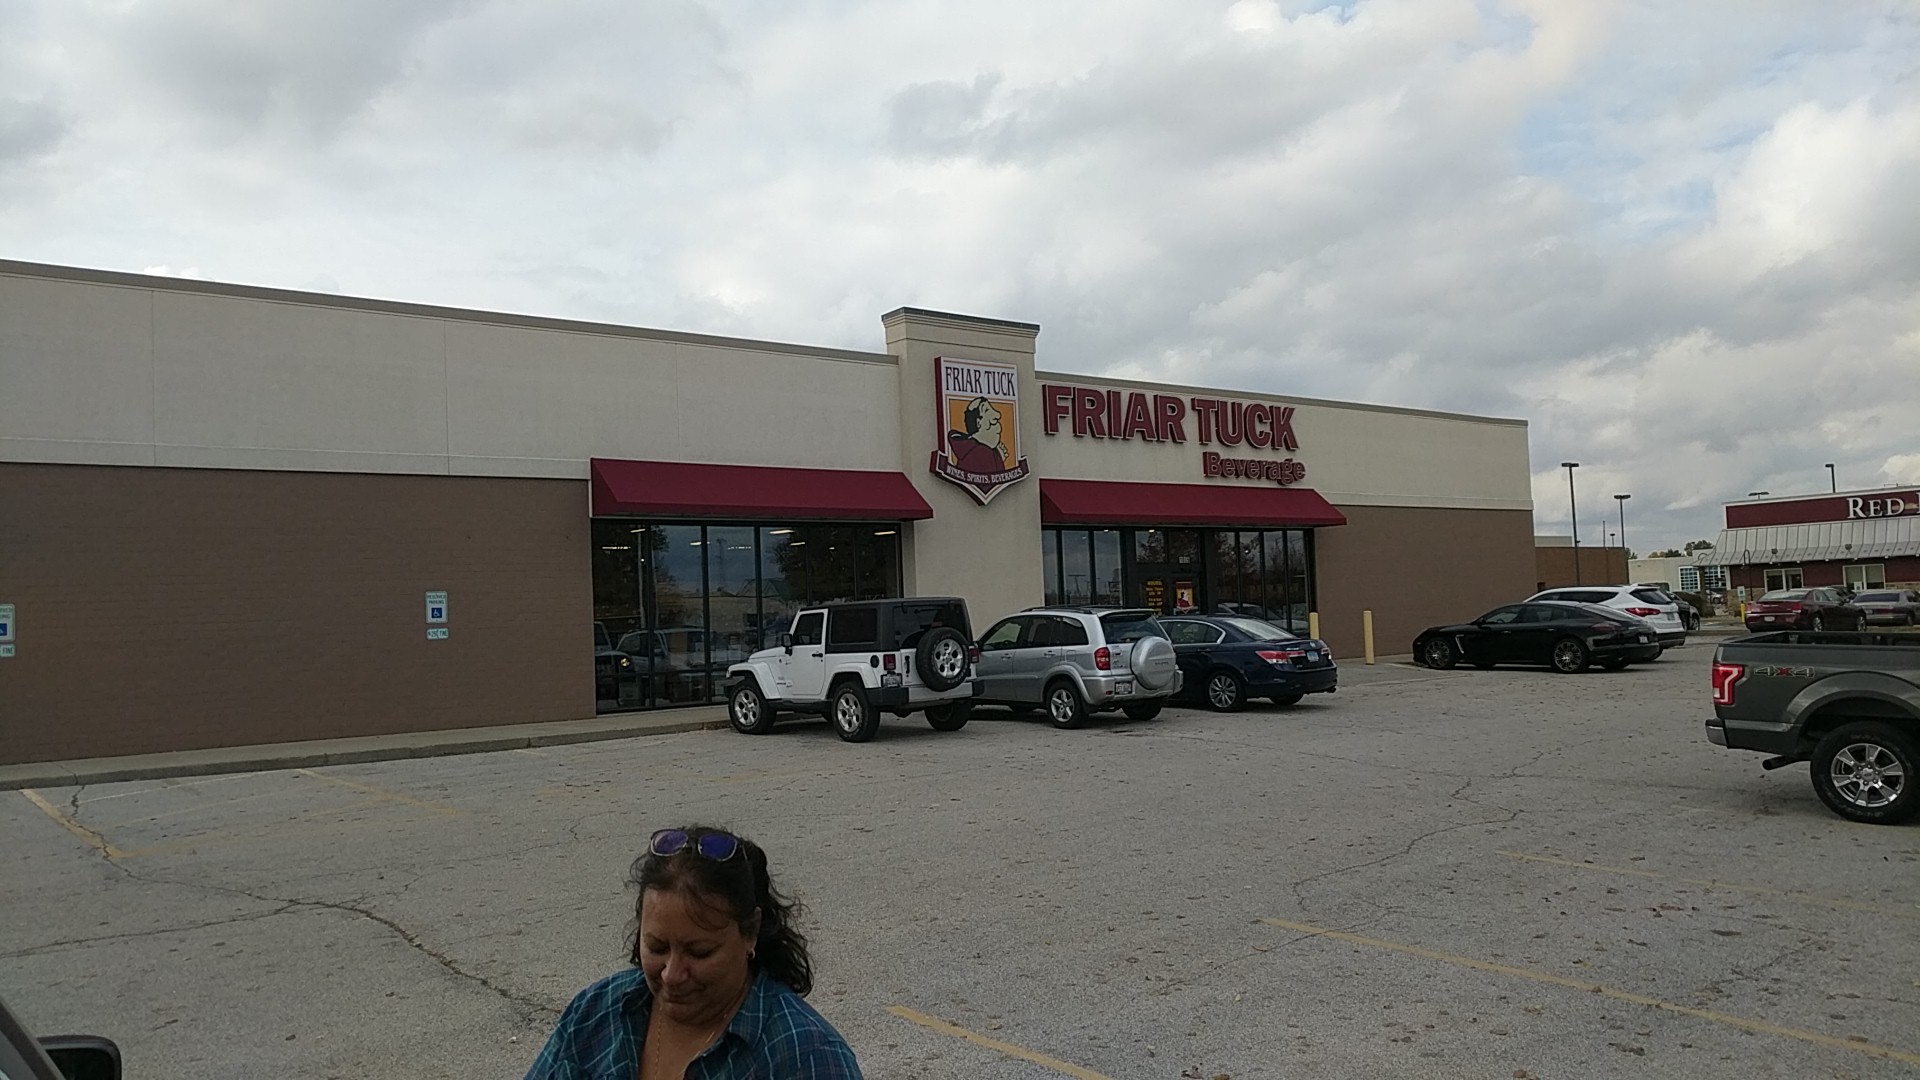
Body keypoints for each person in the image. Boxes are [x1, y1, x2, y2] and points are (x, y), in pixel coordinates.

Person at [525, 826, 862, 1079]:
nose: (672, 974)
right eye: (657, 947)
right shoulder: (597, 1011)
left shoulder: (806, 1057)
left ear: (751, 933)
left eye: (699, 952)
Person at [946, 396, 1009, 475]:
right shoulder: (981, 452)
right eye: (986, 410)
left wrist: (998, 457)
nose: (997, 415)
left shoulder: (981, 449)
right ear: (978, 423)